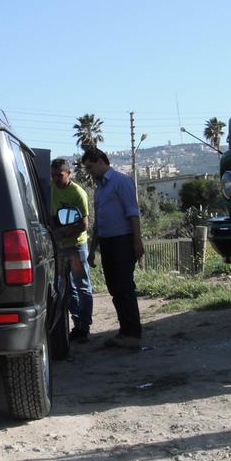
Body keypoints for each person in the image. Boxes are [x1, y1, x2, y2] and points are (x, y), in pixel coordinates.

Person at [81, 148, 144, 349]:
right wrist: (92, 251)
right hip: (107, 243)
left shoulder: (121, 182)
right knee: (115, 288)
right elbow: (99, 223)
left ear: (100, 161)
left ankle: (133, 333)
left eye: (90, 167)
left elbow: (133, 213)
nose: (89, 172)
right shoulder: (99, 189)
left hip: (123, 242)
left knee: (125, 287)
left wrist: (137, 242)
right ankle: (125, 331)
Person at [50, 158, 92, 343]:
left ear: (68, 174)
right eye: (53, 176)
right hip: (60, 248)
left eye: (59, 175)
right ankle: (76, 324)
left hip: (76, 247)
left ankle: (85, 326)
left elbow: (84, 225)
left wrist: (62, 232)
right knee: (66, 288)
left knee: (82, 286)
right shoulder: (51, 189)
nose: (56, 179)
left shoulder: (78, 193)